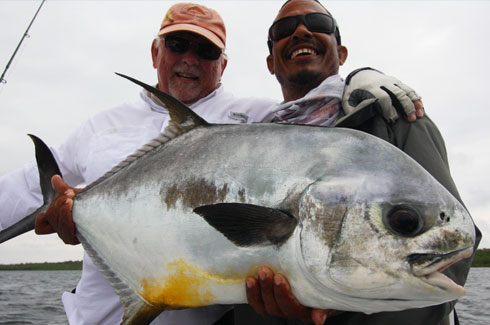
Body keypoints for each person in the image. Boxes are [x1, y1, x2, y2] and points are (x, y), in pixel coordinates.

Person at [0, 2, 426, 324]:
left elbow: (319, 106)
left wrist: (365, 78)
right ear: (155, 51)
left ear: (222, 65)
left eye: (205, 50)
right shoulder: (99, 128)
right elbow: (23, 192)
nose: (190, 57)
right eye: (178, 44)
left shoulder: (258, 120)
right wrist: (65, 213)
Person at [236, 1, 482, 325]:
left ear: (342, 52)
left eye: (317, 22)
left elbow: (448, 258)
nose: (301, 31)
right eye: (284, 30)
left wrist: (328, 313)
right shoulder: (248, 144)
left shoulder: (397, 115)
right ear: (270, 62)